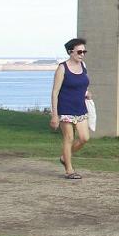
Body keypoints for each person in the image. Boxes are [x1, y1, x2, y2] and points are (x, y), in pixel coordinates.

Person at [50, 38, 90, 179]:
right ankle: (69, 170)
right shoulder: (62, 68)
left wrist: (86, 93)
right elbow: (55, 92)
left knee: (84, 138)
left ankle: (64, 157)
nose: (82, 54)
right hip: (65, 108)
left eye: (84, 51)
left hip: (81, 107)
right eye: (79, 51)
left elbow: (83, 84)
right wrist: (54, 115)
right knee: (69, 138)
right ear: (70, 52)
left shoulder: (83, 66)